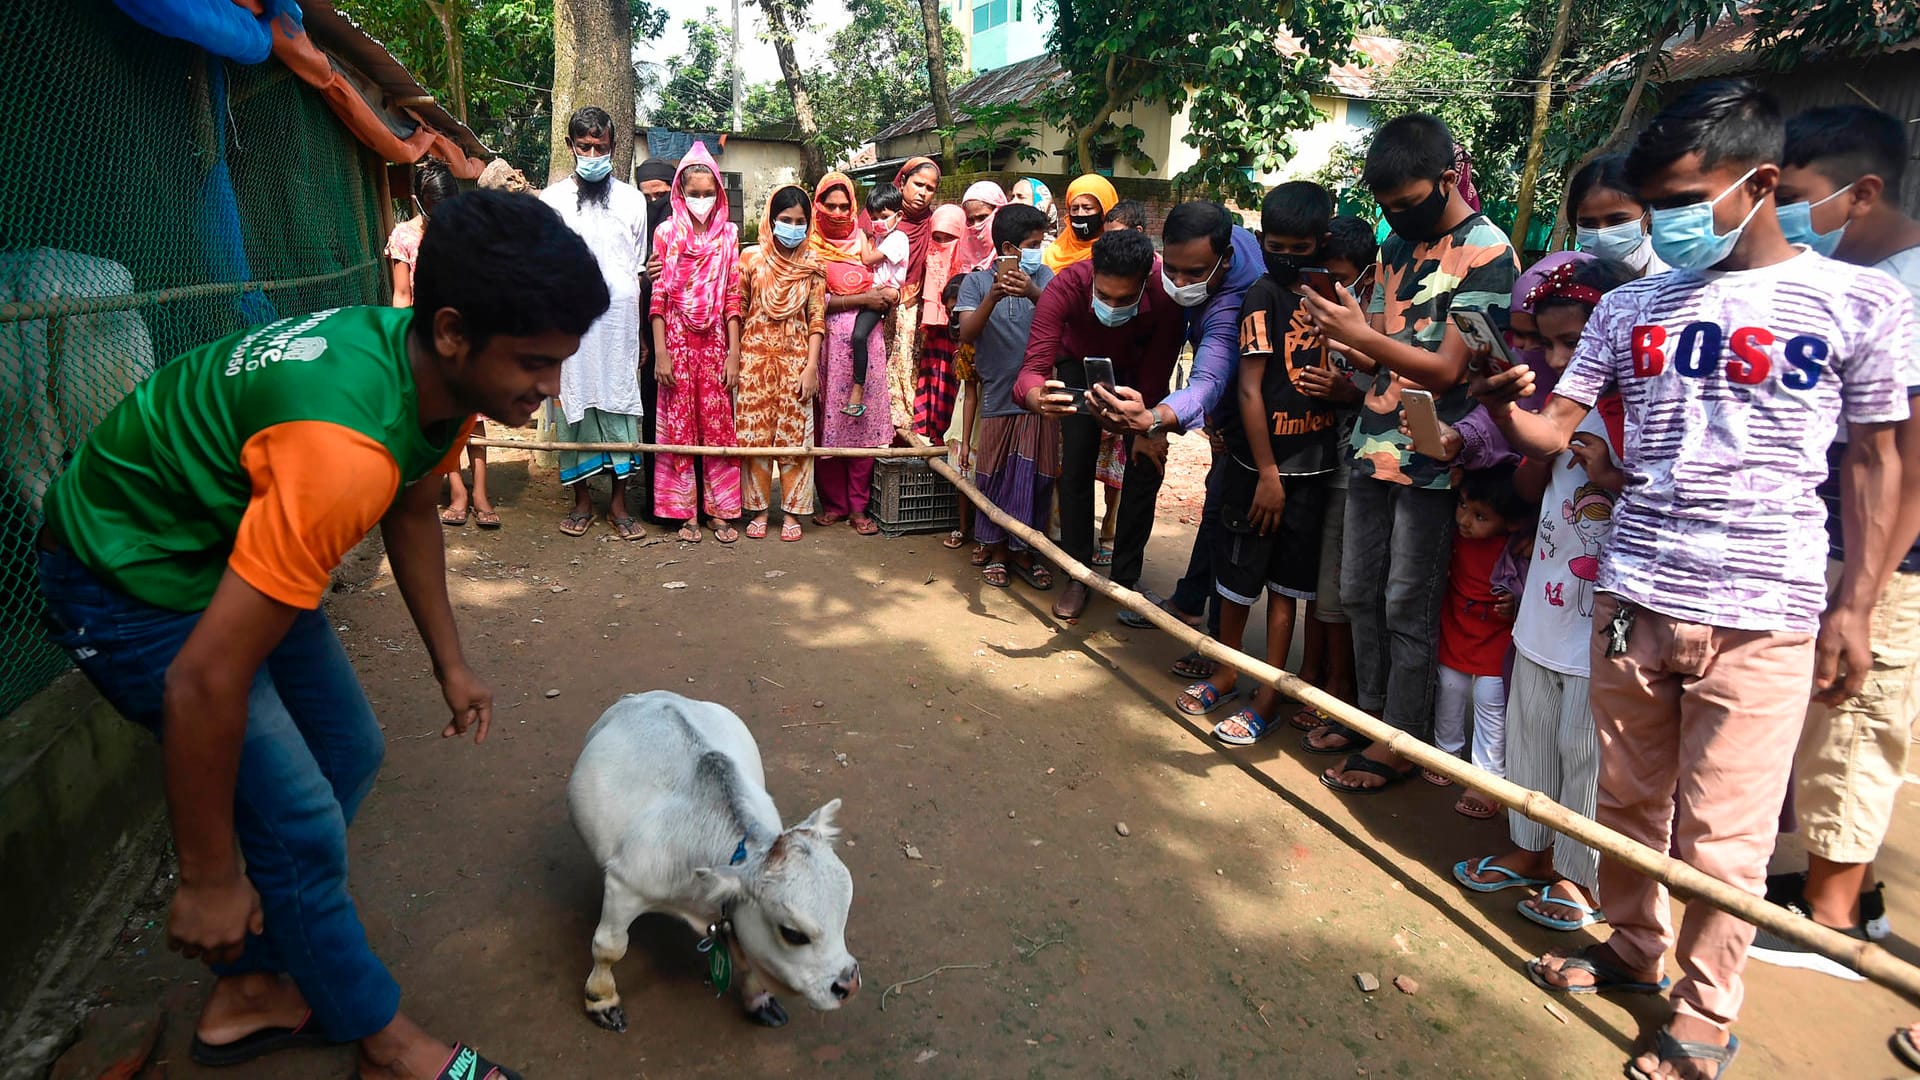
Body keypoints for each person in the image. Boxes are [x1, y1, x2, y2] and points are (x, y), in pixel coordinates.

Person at [37, 189, 608, 1080]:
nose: (550, 390)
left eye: (561, 363)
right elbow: (200, 684)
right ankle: (382, 1040)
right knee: (299, 814)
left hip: (228, 538)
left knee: (347, 751)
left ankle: (253, 987)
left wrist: (450, 663)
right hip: (126, 571)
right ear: (452, 330)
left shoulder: (435, 378)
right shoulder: (342, 453)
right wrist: (207, 877)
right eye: (536, 363)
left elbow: (415, 507)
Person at [1479, 81, 1910, 1080]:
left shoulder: (1863, 300)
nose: (1668, 224)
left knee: (1726, 834)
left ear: (1760, 183)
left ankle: (1709, 1004)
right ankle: (1632, 947)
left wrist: (1856, 606)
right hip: (1630, 602)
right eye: (1656, 202)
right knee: (1630, 798)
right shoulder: (1629, 307)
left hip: (1766, 615)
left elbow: (1879, 461)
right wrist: (1505, 403)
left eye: (1684, 200)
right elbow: (1558, 425)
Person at [1294, 113, 1519, 796]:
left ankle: (1402, 741)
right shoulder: (1395, 246)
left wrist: (1362, 335)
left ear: (1447, 179)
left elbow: (1448, 371)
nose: (1395, 217)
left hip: (1433, 458)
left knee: (1406, 601)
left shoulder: (1487, 250)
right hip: (1372, 445)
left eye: (1405, 202)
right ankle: (1370, 718)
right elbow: (1384, 351)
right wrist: (1344, 338)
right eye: (1386, 207)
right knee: (1361, 592)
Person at [1752, 104, 1920, 982]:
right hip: (1839, 539)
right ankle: (1819, 885)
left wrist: (1863, 591)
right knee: (1823, 723)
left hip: (1885, 555)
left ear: (1861, 193)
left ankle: (1834, 919)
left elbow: (1908, 459)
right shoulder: (1863, 277)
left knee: (1857, 715)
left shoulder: (1908, 288)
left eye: (1802, 197)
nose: (1786, 218)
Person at [1451, 255, 1634, 935]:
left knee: (1587, 746)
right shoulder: (1556, 411)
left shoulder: (1645, 412)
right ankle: (1527, 849)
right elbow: (1528, 493)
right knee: (1532, 733)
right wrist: (1536, 440)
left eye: (1573, 343)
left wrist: (1610, 476)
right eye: (1549, 342)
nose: (1558, 356)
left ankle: (1577, 874)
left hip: (1608, 611)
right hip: (1545, 603)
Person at [1179, 182, 1343, 745]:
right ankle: (1227, 670)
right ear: (1262, 240)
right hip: (1258, 468)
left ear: (1321, 241)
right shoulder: (1262, 296)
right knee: (1235, 575)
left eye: (1301, 246)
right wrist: (1268, 473)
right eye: (1277, 244)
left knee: (1286, 589)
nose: (1288, 256)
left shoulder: (1341, 301)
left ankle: (1270, 693)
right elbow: (1249, 390)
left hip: (1316, 468)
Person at [1110, 201, 1264, 635]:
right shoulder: (1194, 266)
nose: (1179, 283)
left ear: (1226, 261)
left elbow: (1209, 378)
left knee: (1226, 510)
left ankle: (1213, 632)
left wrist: (1154, 420)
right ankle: (1191, 600)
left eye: (1194, 274)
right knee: (1217, 501)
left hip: (1254, 417)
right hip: (1220, 417)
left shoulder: (1236, 299)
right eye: (1172, 269)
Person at [1017, 229, 1186, 621]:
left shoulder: (1166, 298)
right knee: (1076, 463)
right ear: (1092, 275)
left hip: (1141, 372)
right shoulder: (1067, 285)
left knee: (1146, 466)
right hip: (1079, 366)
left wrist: (1149, 429)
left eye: (1124, 300)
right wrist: (1035, 397)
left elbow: (1159, 369)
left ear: (1145, 283)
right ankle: (1079, 574)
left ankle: (1126, 581)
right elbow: (1032, 369)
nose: (1112, 307)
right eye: (1104, 296)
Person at [540, 106, 650, 540]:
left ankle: (619, 505)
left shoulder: (633, 200)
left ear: (613, 148)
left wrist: (641, 333)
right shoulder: (550, 201)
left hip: (620, 326)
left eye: (599, 147)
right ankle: (582, 501)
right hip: (571, 329)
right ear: (570, 147)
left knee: (620, 405)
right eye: (583, 147)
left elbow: (636, 267)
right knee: (575, 404)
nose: (591, 154)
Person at [1286, 214, 1376, 728]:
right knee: (1317, 571)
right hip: (1313, 460)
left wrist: (1350, 393)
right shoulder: (1303, 308)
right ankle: (1312, 670)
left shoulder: (1371, 316)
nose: (1329, 287)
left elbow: (1389, 385)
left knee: (1337, 581)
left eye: (1340, 277)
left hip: (1350, 461)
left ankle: (1337, 684)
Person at [388, 159, 501, 531]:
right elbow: (402, 297)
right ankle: (458, 492)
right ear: (419, 203)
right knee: (443, 421)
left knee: (475, 419)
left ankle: (482, 493)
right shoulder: (404, 238)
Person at [956, 202, 1057, 590]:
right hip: (997, 397)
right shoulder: (976, 283)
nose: (1038, 250)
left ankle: (1027, 553)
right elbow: (967, 333)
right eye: (1033, 243)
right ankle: (997, 550)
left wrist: (1033, 292)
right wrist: (994, 297)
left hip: (1039, 397)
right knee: (995, 476)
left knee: (1037, 478)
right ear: (1011, 247)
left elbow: (1060, 322)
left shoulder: (1046, 278)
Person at [1427, 463, 1534, 818]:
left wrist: (1514, 606)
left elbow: (1531, 592)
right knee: (1450, 686)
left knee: (1490, 697)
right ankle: (1446, 755)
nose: (1464, 520)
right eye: (1462, 506)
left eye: (1479, 515)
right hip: (1457, 626)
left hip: (1495, 636)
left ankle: (1487, 776)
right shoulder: (1451, 537)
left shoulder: (1519, 548)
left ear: (1512, 523)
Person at [650, 143, 744, 544]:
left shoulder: (729, 235)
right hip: (675, 339)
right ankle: (684, 512)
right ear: (680, 193)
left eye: (709, 194)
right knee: (679, 425)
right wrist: (661, 353)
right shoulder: (666, 233)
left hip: (717, 343)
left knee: (719, 426)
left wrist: (735, 353)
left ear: (719, 194)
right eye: (695, 193)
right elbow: (659, 296)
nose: (701, 201)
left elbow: (733, 295)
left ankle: (720, 511)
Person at [732, 184, 825, 542]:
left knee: (795, 439)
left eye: (800, 221)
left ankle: (792, 513)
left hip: (797, 361)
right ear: (771, 220)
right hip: (754, 360)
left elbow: (817, 319)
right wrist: (735, 356)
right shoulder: (750, 259)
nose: (793, 226)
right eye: (785, 220)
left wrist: (812, 367)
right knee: (754, 438)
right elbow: (737, 310)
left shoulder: (813, 264)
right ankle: (757, 510)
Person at [810, 173, 895, 535]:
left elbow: (889, 280)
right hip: (826, 347)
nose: (838, 212)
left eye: (845, 206)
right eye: (830, 205)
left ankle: (859, 507)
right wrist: (862, 299)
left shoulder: (864, 240)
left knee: (861, 424)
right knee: (828, 424)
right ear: (818, 206)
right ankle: (833, 504)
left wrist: (888, 297)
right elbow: (809, 301)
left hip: (866, 347)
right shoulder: (808, 247)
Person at [634, 156, 679, 516]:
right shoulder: (634, 231)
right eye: (646, 198)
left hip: (692, 336)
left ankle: (690, 501)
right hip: (650, 335)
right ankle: (658, 501)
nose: (654, 205)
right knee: (653, 415)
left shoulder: (685, 229)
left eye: (661, 196)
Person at [884, 157, 943, 426]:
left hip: (917, 310)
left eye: (930, 189)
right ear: (904, 182)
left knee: (910, 368)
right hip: (879, 306)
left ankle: (908, 428)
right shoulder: (880, 216)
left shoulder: (935, 224)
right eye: (918, 184)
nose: (923, 193)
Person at [843, 181, 906, 419]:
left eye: (884, 216)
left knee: (859, 335)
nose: (879, 222)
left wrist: (860, 232)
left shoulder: (898, 238)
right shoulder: (881, 237)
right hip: (873, 291)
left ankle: (857, 389)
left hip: (883, 296)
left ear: (898, 215)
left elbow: (868, 259)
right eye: (874, 217)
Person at [1571, 154, 1669, 276]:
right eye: (1588, 224)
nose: (1601, 234)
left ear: (1649, 214)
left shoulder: (1683, 278)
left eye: (1617, 220)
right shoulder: (1558, 280)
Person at [1043, 174, 1118, 273]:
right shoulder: (1054, 251)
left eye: (1087, 208)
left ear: (1105, 211)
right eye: (1074, 209)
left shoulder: (1116, 252)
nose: (1080, 214)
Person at [956, 180, 1008, 273]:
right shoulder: (961, 256)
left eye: (982, 217)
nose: (976, 226)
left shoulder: (1012, 253)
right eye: (970, 220)